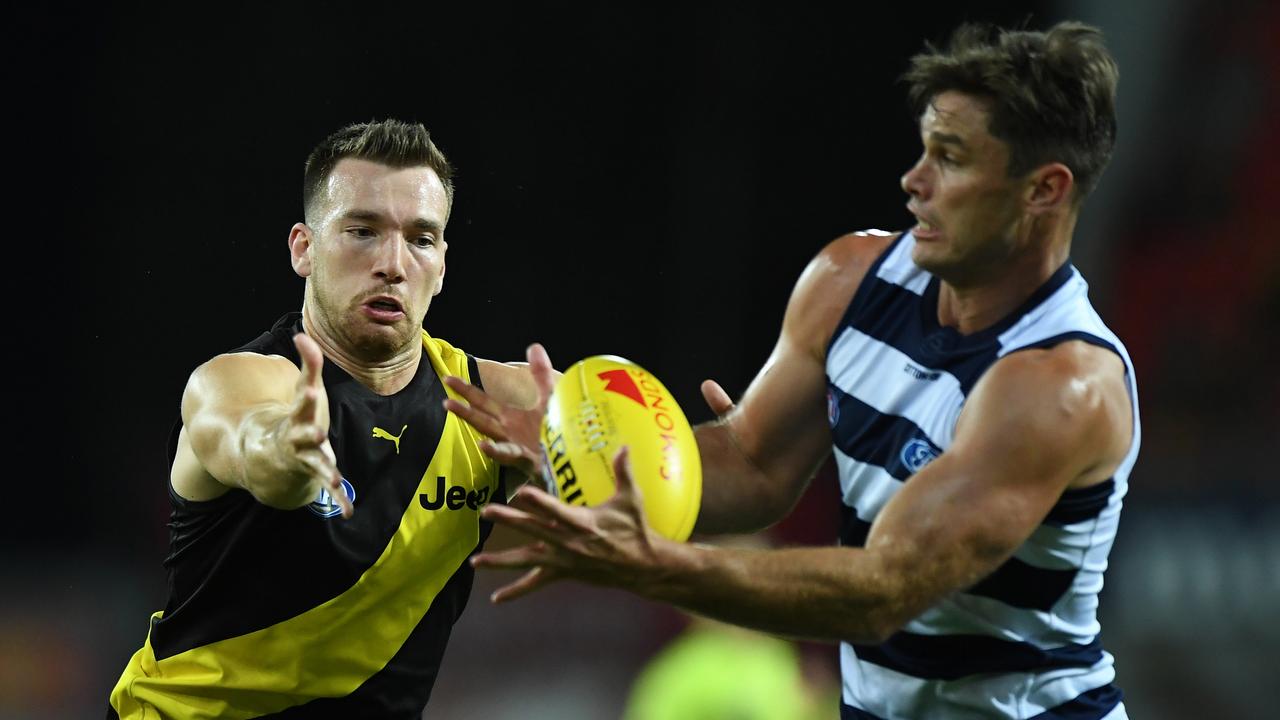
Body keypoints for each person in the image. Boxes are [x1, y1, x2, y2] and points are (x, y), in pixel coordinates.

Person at [447, 21, 1139, 720]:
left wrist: (655, 567)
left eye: (951, 158)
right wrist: (589, 457)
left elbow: (882, 592)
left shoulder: (1059, 386)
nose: (914, 181)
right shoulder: (849, 280)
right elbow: (753, 462)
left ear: (1044, 191)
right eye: (923, 150)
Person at [108, 120, 549, 719]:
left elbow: (666, 467)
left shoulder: (494, 404)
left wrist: (715, 446)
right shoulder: (240, 382)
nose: (393, 263)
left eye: (421, 239)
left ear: (442, 265)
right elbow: (254, 444)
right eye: (363, 231)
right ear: (303, 247)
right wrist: (288, 450)